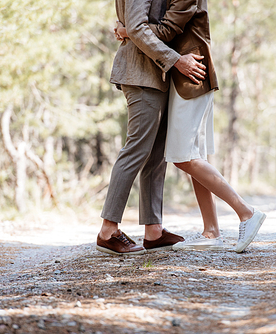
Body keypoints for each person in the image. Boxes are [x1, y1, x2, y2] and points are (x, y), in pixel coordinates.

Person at [115, 0, 266, 253]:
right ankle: (211, 231)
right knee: (194, 155)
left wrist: (129, 30)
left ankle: (246, 212)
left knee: (184, 157)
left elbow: (165, 31)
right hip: (184, 78)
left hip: (192, 76)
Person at [96, 0, 208, 255]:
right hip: (141, 73)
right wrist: (176, 60)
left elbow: (138, 27)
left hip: (155, 74)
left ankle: (153, 230)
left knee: (156, 155)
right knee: (136, 150)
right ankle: (107, 230)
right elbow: (136, 27)